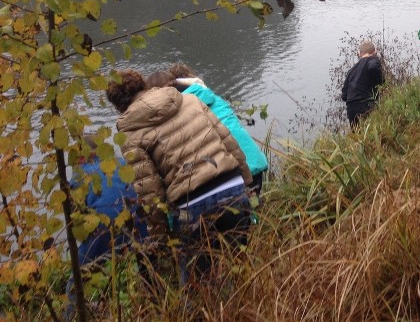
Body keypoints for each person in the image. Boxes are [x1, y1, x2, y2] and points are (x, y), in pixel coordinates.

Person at [106, 70, 254, 283]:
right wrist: (246, 183)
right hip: (232, 187)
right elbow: (229, 142)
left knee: (198, 289)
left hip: (191, 206)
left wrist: (160, 237)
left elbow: (150, 192)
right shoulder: (190, 100)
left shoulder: (130, 135)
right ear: (143, 85)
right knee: (240, 271)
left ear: (118, 106)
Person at [65, 136, 148, 320]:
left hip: (104, 228)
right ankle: (153, 302)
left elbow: (77, 225)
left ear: (80, 158)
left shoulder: (80, 175)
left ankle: (70, 315)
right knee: (146, 263)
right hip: (137, 222)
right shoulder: (120, 162)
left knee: (76, 279)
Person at [161, 64, 270, 193]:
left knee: (244, 209)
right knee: (253, 205)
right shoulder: (211, 96)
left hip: (234, 169)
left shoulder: (183, 110)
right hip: (254, 158)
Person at [341, 40, 385, 128]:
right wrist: (381, 82)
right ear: (374, 52)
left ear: (359, 54)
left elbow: (344, 95)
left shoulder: (351, 70)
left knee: (357, 137)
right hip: (366, 104)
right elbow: (373, 68)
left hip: (351, 108)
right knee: (372, 132)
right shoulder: (373, 60)